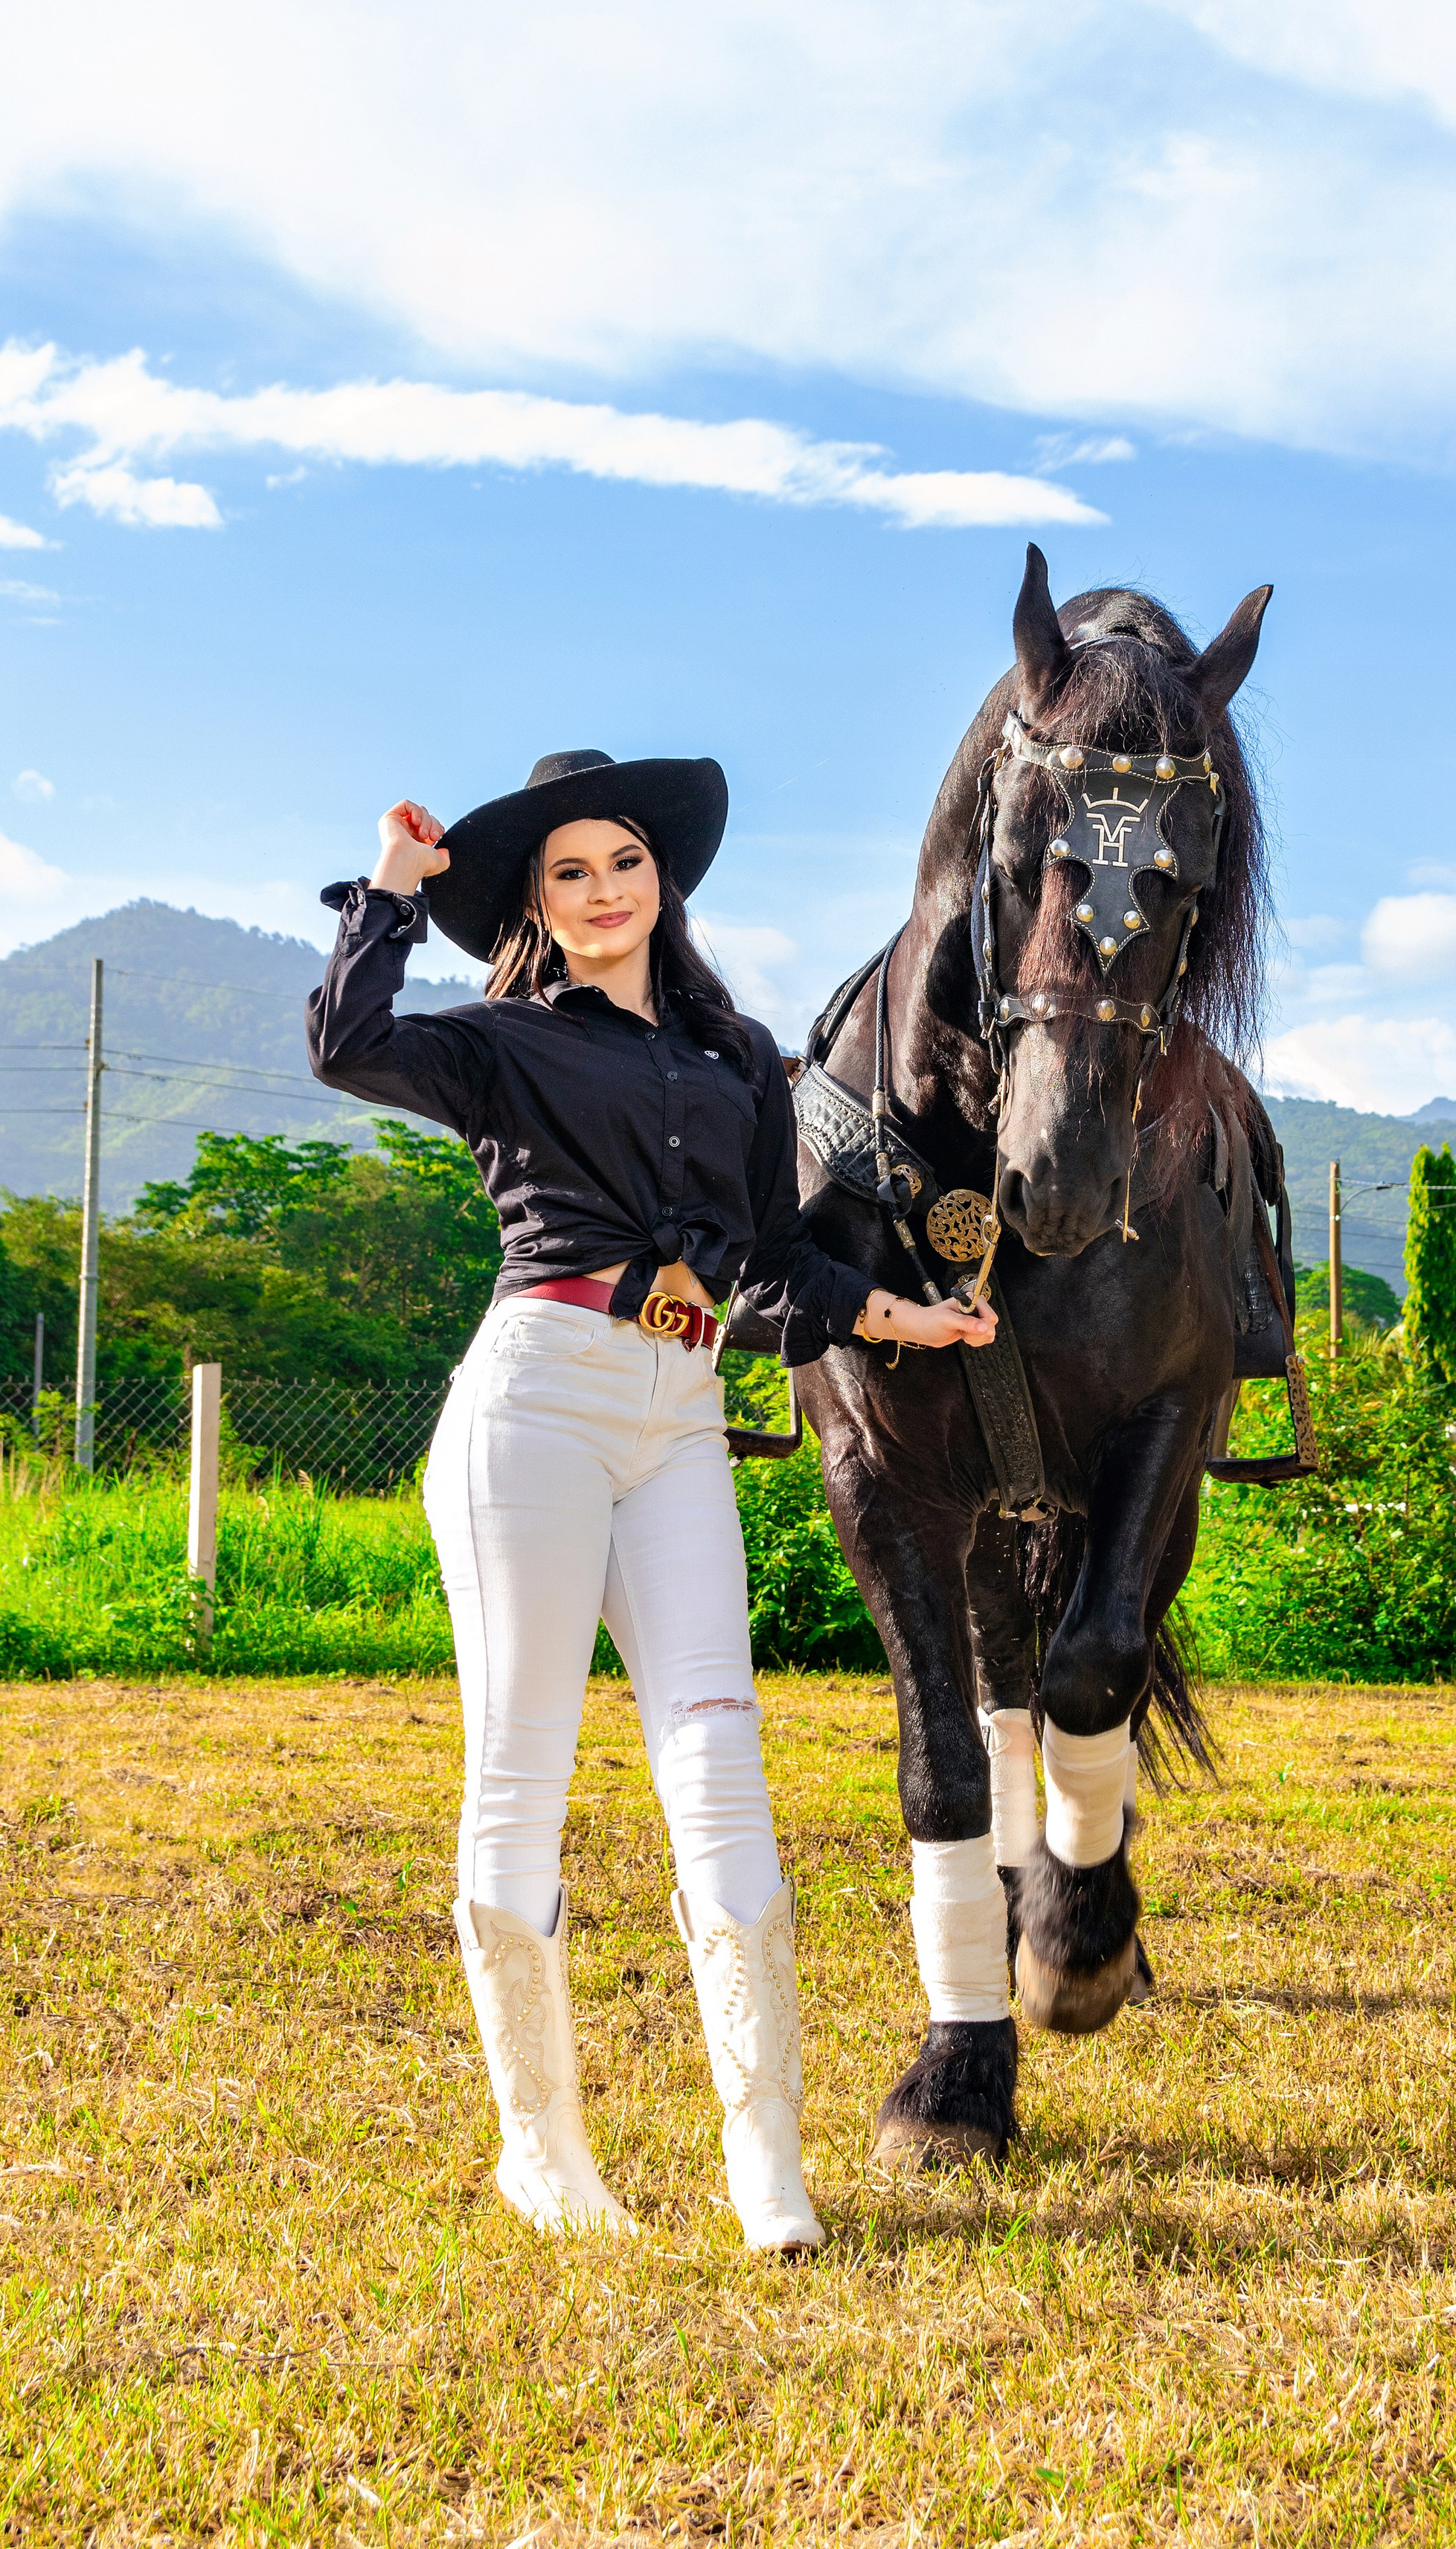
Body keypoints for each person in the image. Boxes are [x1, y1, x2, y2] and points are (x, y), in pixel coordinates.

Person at [307, 747, 992, 2254]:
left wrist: (901, 1320)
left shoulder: (740, 1056)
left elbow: (767, 1262)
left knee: (719, 1764)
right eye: (568, 873)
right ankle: (540, 2153)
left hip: (680, 1408)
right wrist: (392, 892)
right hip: (535, 1401)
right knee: (521, 1772)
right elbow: (345, 1043)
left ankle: (767, 2163)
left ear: (659, 877)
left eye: (623, 862)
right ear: (536, 908)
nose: (603, 891)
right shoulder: (496, 1042)